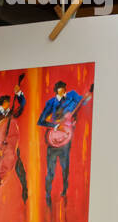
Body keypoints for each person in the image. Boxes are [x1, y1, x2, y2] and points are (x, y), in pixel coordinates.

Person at [37, 79, 93, 208]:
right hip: (53, 140)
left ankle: (64, 191)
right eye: (59, 91)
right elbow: (41, 121)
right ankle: (47, 196)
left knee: (65, 168)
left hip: (66, 139)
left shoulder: (72, 96)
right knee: (50, 171)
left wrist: (89, 94)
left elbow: (83, 102)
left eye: (63, 90)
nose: (62, 93)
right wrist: (56, 126)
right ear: (56, 91)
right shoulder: (51, 103)